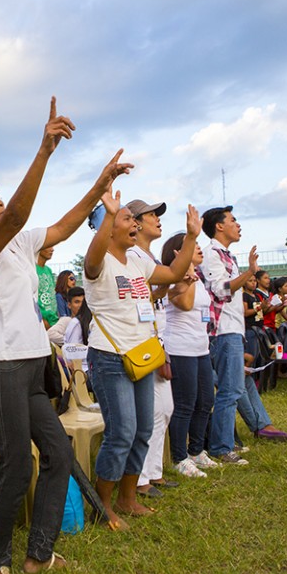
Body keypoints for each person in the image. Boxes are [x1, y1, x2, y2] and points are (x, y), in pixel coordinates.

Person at [0, 97, 126, 574]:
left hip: (29, 365)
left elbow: (63, 225)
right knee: (16, 466)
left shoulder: (20, 242)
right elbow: (18, 216)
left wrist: (99, 186)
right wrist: (44, 151)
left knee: (59, 454)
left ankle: (39, 552)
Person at [85, 188, 200, 527]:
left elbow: (174, 273)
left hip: (140, 355)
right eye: (127, 219)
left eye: (135, 219)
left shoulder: (137, 260)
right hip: (110, 357)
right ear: (107, 226)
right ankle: (101, 504)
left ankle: (128, 497)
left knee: (142, 430)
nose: (135, 224)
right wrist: (108, 212)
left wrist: (192, 237)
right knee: (122, 432)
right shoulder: (97, 261)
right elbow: (93, 259)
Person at [125, 199, 177, 499]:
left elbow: (149, 296)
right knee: (151, 414)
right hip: (140, 342)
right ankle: (139, 478)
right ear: (136, 223)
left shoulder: (147, 255)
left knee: (164, 410)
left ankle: (153, 473)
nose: (158, 219)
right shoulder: (131, 255)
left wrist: (168, 287)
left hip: (156, 338)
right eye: (151, 215)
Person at [198, 206, 258, 464]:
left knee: (231, 388)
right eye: (233, 220)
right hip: (223, 330)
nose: (238, 224)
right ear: (219, 226)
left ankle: (226, 442)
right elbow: (221, 290)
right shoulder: (212, 254)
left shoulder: (227, 256)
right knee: (229, 389)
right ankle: (222, 448)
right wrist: (249, 274)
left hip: (233, 328)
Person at [160, 232, 215, 479]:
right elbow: (185, 305)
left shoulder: (198, 278)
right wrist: (188, 275)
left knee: (205, 401)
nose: (200, 249)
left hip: (201, 347)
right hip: (180, 348)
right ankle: (179, 457)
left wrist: (193, 275)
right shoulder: (173, 276)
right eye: (193, 247)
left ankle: (196, 451)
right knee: (185, 404)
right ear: (178, 253)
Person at [36, 246, 59, 328]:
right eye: (49, 246)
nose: (52, 249)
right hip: (41, 322)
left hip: (54, 321)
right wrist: (42, 320)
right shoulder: (31, 269)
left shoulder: (49, 270)